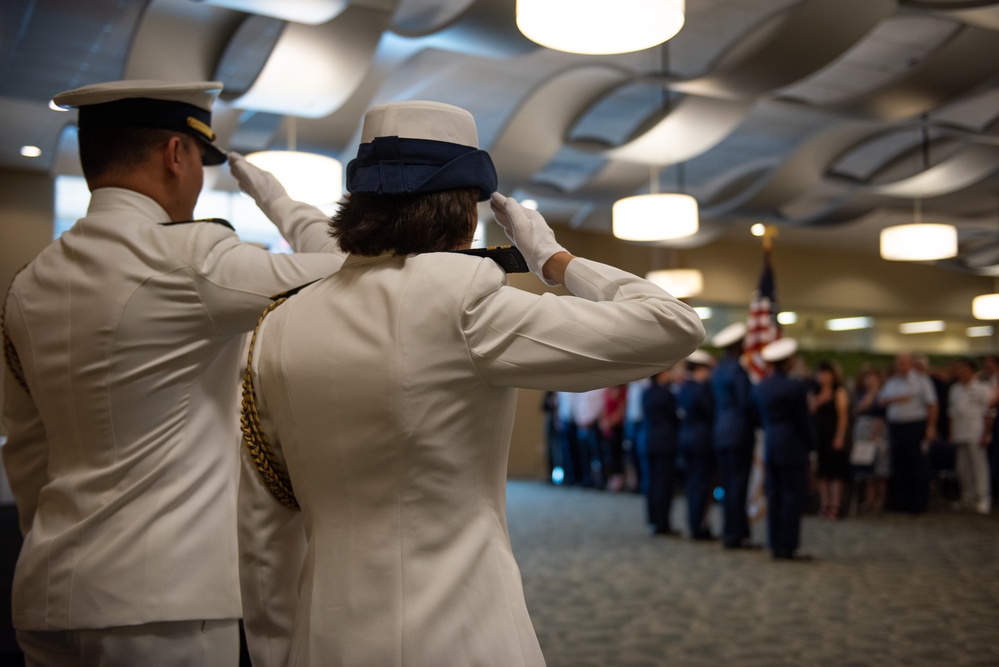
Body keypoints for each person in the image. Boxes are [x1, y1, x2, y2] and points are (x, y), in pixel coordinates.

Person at [240, 100, 705, 665]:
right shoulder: (464, 303)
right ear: (464, 211)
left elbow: (266, 523)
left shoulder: (281, 323)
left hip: (325, 635)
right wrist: (553, 259)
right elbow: (673, 325)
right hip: (462, 631)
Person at [1, 80, 346, 666]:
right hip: (161, 600)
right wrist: (283, 204)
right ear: (175, 154)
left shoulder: (28, 284)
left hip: (48, 587)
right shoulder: (188, 257)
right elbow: (350, 275)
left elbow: (27, 452)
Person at [752, 338, 814, 561]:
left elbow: (757, 418)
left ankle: (775, 543)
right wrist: (810, 446)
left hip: (771, 444)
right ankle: (789, 545)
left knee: (774, 495)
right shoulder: (796, 386)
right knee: (792, 497)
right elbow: (803, 420)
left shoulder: (760, 386)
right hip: (792, 445)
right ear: (788, 362)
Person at [710, 322, 760, 549]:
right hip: (739, 434)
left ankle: (730, 531)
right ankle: (735, 534)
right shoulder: (738, 372)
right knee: (738, 486)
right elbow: (746, 403)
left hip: (721, 433)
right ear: (739, 347)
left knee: (728, 485)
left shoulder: (718, 370)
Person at [879, 352, 938, 513]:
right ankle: (901, 502)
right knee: (899, 464)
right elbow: (881, 400)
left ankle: (918, 503)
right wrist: (896, 399)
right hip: (896, 427)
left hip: (915, 426)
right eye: (898, 362)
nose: (901, 365)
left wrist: (930, 427)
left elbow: (932, 404)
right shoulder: (892, 382)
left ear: (910, 363)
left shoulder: (921, 381)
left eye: (904, 362)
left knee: (916, 464)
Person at [676, 350, 716, 540]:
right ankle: (698, 526)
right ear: (700, 369)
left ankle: (693, 523)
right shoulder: (702, 389)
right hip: (702, 441)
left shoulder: (684, 388)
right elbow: (710, 413)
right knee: (702, 485)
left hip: (686, 438)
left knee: (692, 485)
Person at [948, 357, 992, 514]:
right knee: (963, 467)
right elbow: (952, 413)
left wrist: (986, 433)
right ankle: (968, 496)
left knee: (978, 466)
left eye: (963, 369)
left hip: (976, 431)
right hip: (961, 432)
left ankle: (983, 497)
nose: (960, 372)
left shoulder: (981, 388)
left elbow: (988, 412)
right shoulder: (955, 389)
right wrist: (952, 433)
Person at [809, 361, 851, 519]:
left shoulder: (839, 392)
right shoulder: (815, 391)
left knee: (835, 472)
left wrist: (840, 436)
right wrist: (820, 399)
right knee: (822, 472)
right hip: (819, 435)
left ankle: (835, 505)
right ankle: (824, 504)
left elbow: (843, 416)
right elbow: (810, 409)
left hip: (833, 434)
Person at [642, 369, 680, 536]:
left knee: (651, 482)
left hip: (649, 440)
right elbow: (674, 416)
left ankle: (653, 519)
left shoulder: (646, 393)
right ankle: (662, 522)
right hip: (665, 442)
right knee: (664, 485)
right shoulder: (666, 394)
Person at [852, 367, 889, 513]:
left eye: (873, 378)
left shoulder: (884, 395)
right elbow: (857, 410)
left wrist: (876, 433)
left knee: (881, 468)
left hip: (878, 431)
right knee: (867, 468)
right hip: (862, 430)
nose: (870, 381)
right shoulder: (861, 394)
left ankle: (880, 500)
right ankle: (869, 499)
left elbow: (882, 414)